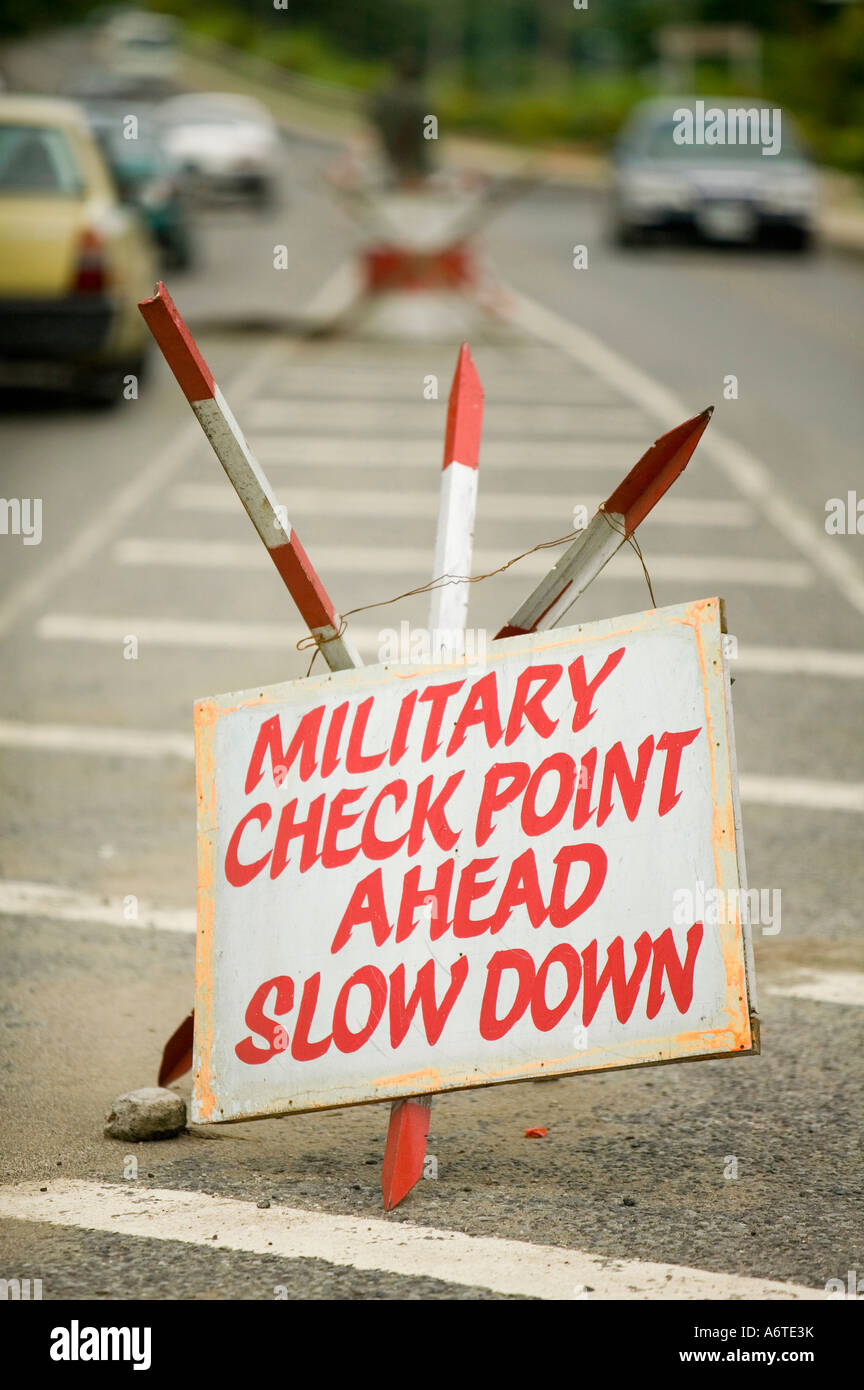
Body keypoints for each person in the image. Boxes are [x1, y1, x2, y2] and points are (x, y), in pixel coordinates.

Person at [368, 50, 435, 186]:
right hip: (414, 154)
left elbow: (374, 116)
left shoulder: (385, 93)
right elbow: (431, 130)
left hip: (390, 149)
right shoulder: (422, 99)